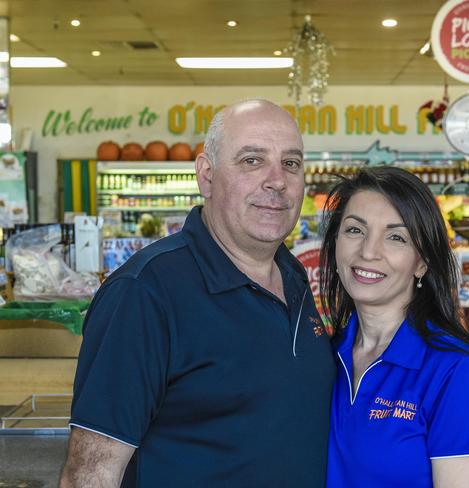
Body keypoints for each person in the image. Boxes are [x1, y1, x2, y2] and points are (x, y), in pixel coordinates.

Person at [59, 100, 336, 487]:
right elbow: (90, 474)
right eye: (252, 161)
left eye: (291, 163)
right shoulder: (144, 293)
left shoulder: (294, 275)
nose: (277, 180)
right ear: (206, 176)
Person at [320, 167, 469, 488]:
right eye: (354, 230)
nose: (368, 251)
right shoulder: (323, 358)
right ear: (335, 243)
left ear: (422, 262)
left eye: (396, 237)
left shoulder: (457, 372)